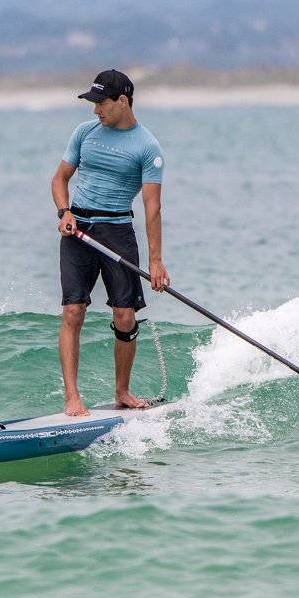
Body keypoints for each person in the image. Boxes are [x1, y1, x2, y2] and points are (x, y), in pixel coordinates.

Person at [51, 69, 169, 416]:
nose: (95, 110)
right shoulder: (84, 133)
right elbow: (59, 179)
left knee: (124, 315)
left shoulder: (147, 147)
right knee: (73, 311)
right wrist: (64, 212)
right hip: (78, 229)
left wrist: (156, 262)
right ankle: (72, 398)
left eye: (101, 103)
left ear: (122, 101)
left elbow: (152, 208)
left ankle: (122, 392)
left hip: (117, 232)